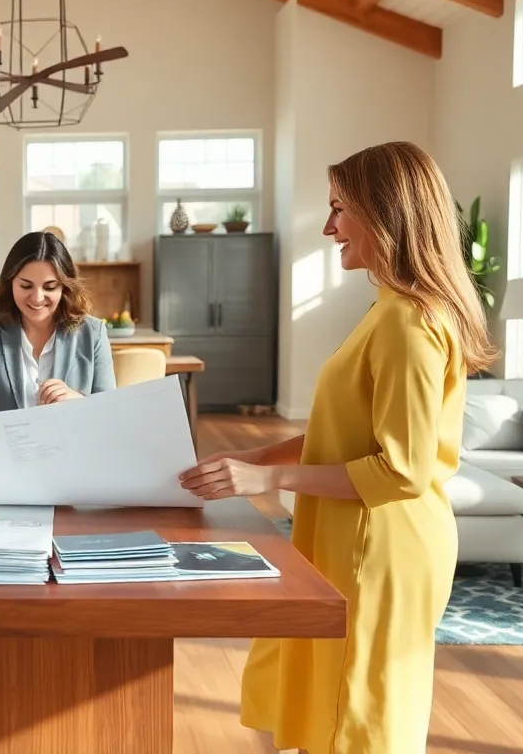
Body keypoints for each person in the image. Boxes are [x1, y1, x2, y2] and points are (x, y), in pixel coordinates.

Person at [178, 142, 497, 754]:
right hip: (344, 537)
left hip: (381, 547)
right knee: (296, 683)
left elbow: (400, 471)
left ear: (386, 213)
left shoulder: (409, 322)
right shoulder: (388, 310)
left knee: (360, 716)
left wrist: (268, 482)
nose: (327, 227)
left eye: (339, 210)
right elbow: (343, 435)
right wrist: (252, 461)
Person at [0, 230, 116, 466]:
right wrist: (2, 438)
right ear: (10, 282)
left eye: (50, 287)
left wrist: (77, 401)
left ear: (64, 287)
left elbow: (110, 413)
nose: (37, 298)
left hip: (73, 467)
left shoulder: (93, 332)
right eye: (26, 286)